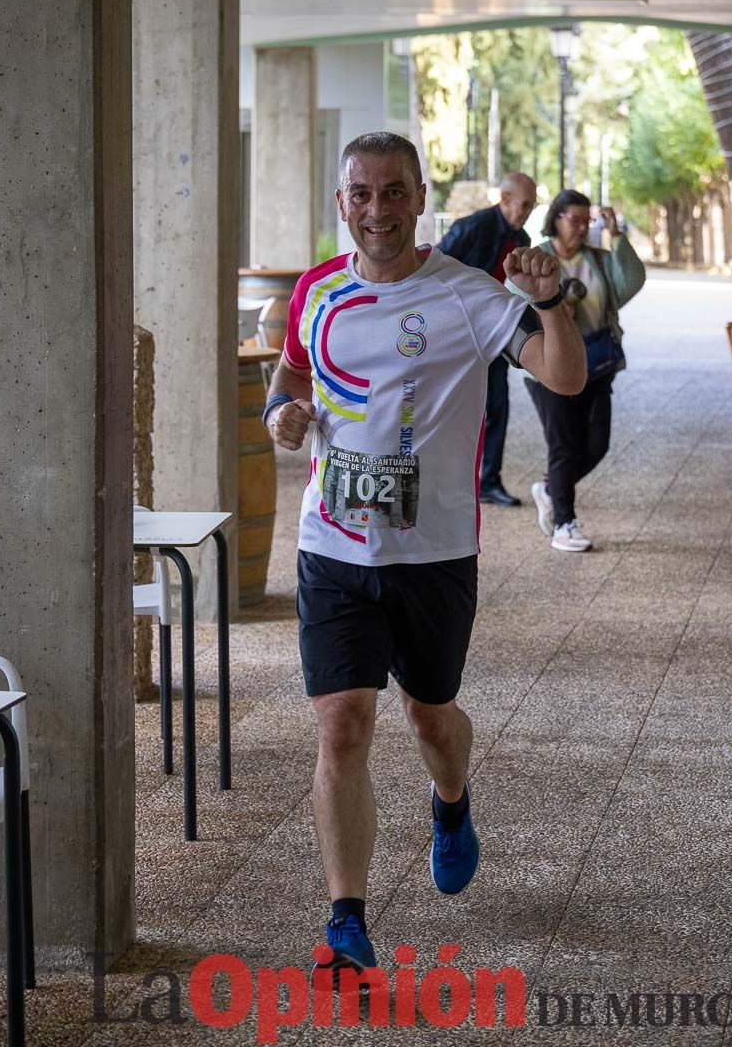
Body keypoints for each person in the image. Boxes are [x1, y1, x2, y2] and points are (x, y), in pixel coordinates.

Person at [264, 133, 585, 975]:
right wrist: (280, 418)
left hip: (434, 555)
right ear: (344, 204)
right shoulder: (317, 291)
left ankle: (451, 801)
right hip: (332, 545)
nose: (378, 209)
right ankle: (346, 923)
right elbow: (291, 379)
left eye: (394, 192)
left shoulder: (468, 296)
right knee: (343, 724)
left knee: (430, 718)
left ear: (419, 198)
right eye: (362, 194)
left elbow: (564, 379)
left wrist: (552, 304)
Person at [523, 189, 646, 553]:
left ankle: (549, 489)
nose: (581, 227)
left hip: (596, 363)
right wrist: (552, 316)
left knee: (596, 444)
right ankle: (564, 523)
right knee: (563, 445)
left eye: (586, 221)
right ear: (555, 219)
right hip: (549, 366)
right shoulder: (538, 257)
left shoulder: (599, 259)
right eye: (573, 220)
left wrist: (617, 235)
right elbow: (513, 302)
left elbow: (632, 281)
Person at [439, 173, 538, 506]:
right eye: (523, 204)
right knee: (451, 408)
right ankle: (447, 479)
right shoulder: (472, 227)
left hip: (494, 335)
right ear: (505, 199)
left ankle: (489, 481)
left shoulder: (522, 237)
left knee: (498, 407)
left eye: (531, 206)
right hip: (457, 333)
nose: (526, 212)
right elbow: (436, 268)